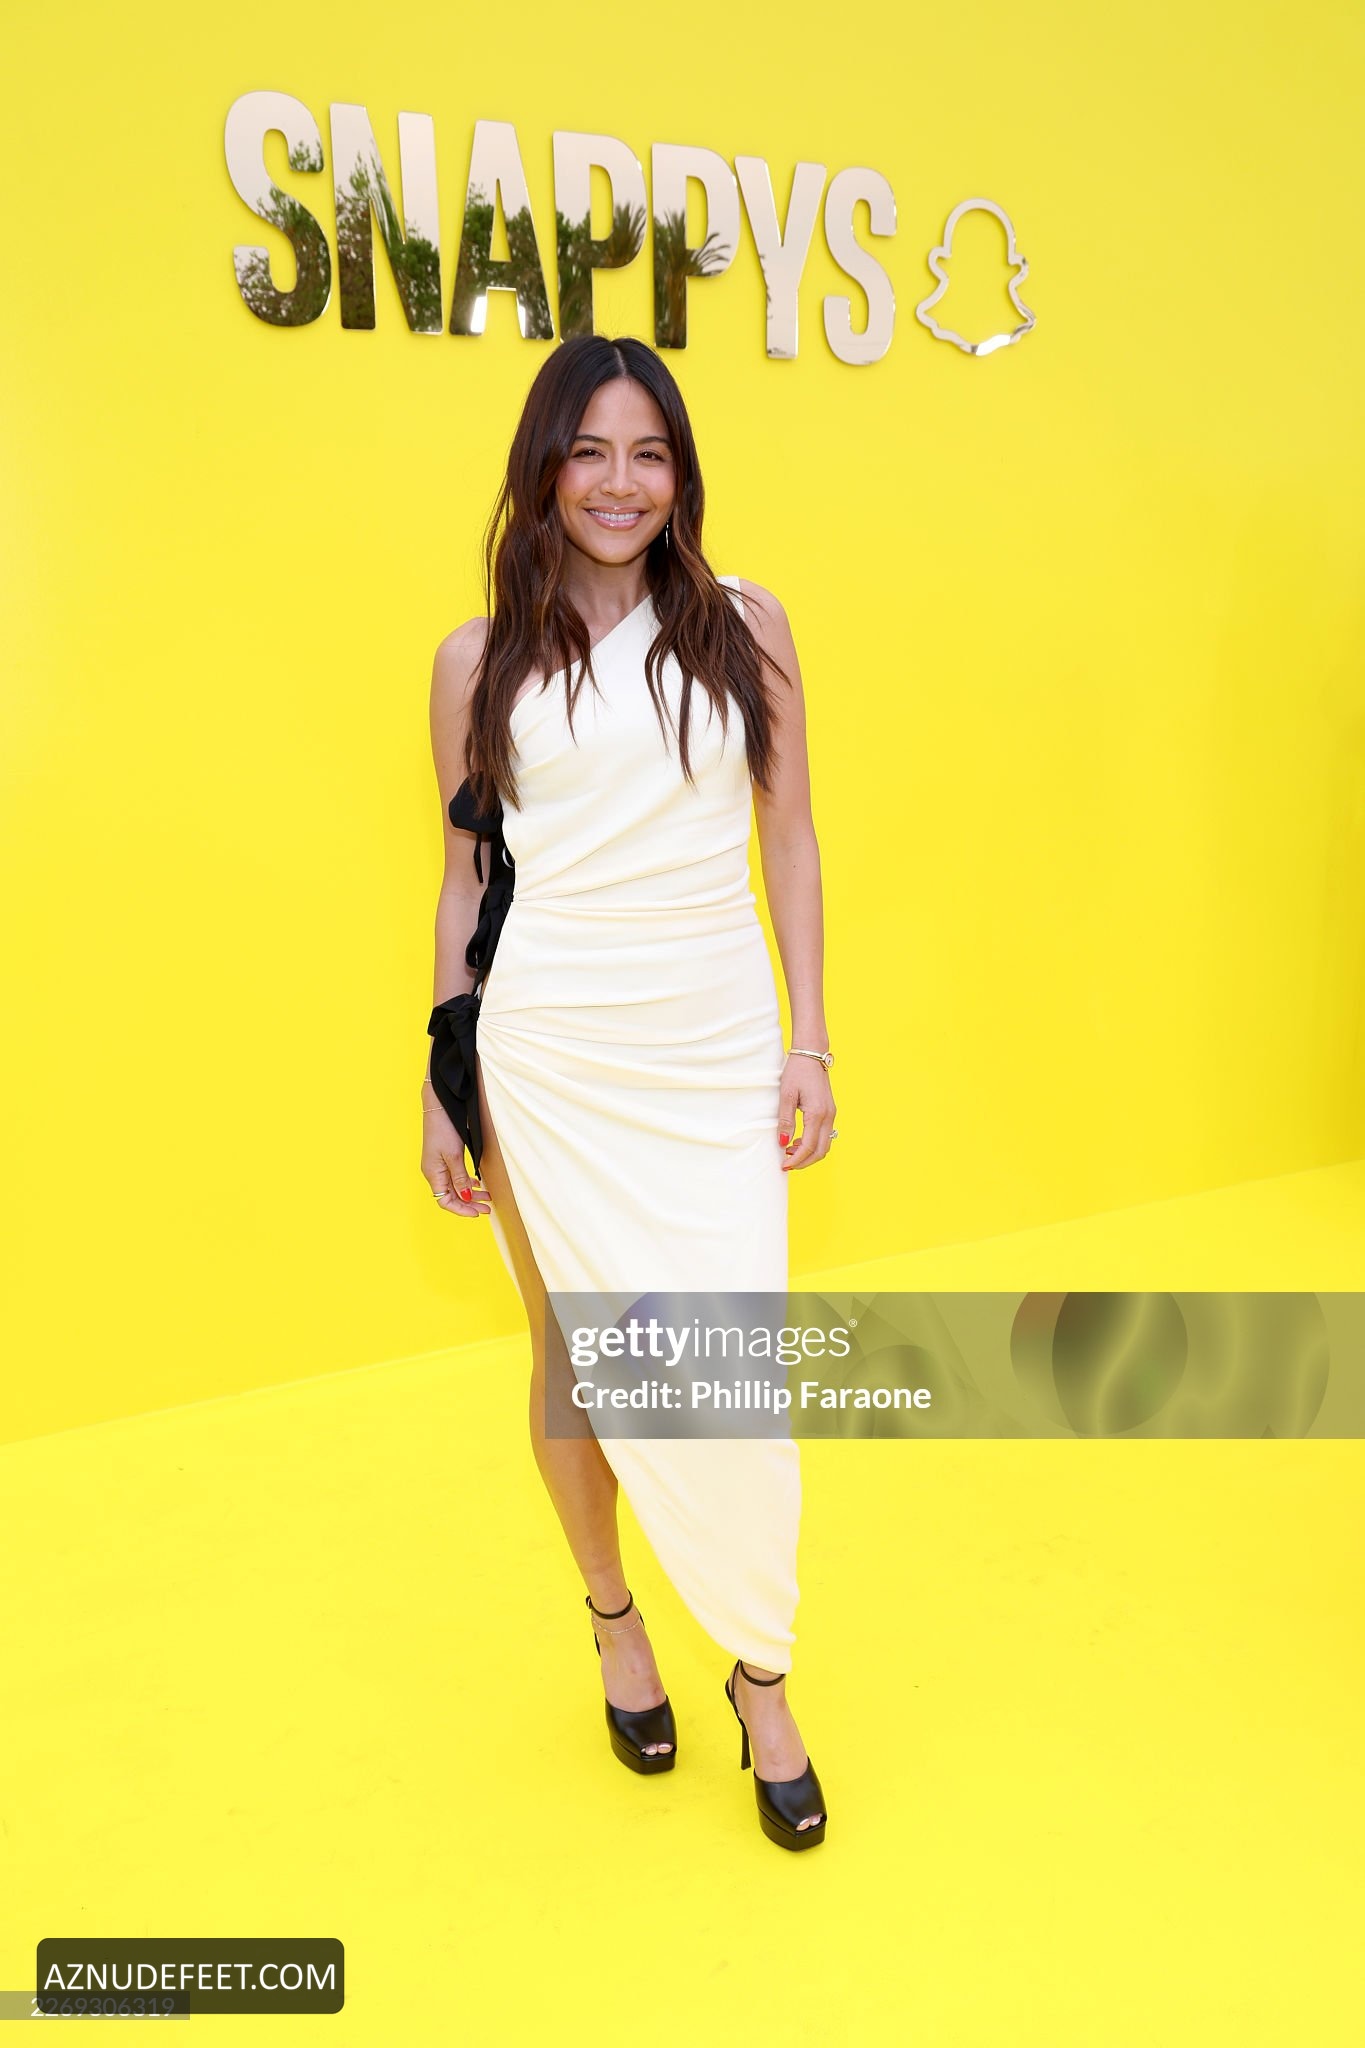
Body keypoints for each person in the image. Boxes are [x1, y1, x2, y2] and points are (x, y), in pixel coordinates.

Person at [420, 334, 836, 1850]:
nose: (617, 483)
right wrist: (443, 1079)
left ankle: (760, 1669)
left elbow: (788, 840)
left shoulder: (745, 627)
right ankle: (614, 1623)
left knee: (725, 1373)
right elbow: (466, 882)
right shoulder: (476, 660)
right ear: (543, 469)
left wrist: (809, 1040)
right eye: (588, 452)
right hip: (546, 1055)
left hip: (712, 1041)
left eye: (647, 453)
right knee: (576, 1362)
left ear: (681, 473)